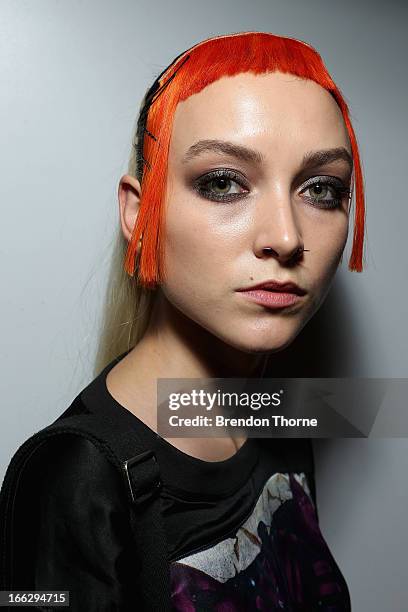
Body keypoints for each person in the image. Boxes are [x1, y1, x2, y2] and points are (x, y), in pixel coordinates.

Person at [0, 31, 365, 610]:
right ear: (137, 212)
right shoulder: (70, 477)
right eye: (223, 183)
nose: (286, 238)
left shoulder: (281, 409)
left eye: (322, 189)